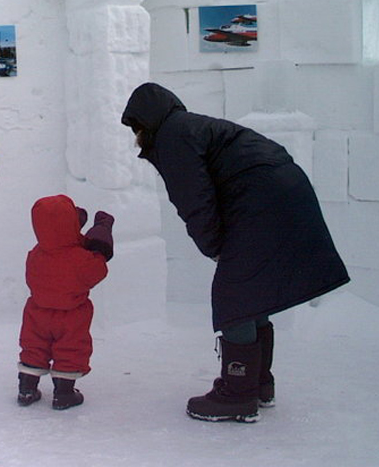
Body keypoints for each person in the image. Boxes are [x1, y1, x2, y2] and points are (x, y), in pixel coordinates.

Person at [121, 82, 350, 423]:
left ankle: (238, 393)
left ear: (146, 121)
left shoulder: (173, 136)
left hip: (263, 199)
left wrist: (214, 247)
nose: (136, 136)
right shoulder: (190, 126)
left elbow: (194, 199)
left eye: (135, 127)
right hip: (282, 190)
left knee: (235, 294)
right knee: (251, 291)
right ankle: (258, 383)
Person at [17, 194, 114, 410]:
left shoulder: (35, 254)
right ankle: (64, 393)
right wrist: (100, 242)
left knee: (34, 346)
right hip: (71, 315)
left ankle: (26, 388)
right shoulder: (80, 259)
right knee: (71, 349)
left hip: (37, 313)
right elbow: (97, 271)